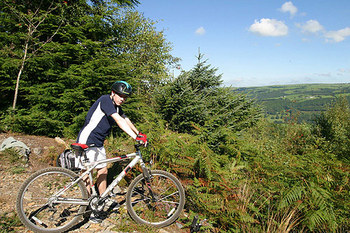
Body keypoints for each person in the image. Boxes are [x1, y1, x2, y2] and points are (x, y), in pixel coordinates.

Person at [75, 80, 147, 222]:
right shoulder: (105, 100)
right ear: (113, 93)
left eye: (125, 97)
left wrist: (139, 133)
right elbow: (118, 121)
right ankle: (89, 209)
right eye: (121, 96)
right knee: (87, 176)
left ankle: (101, 201)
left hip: (98, 143)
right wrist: (134, 138)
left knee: (103, 171)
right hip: (87, 140)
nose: (123, 99)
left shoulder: (117, 106)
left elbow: (125, 119)